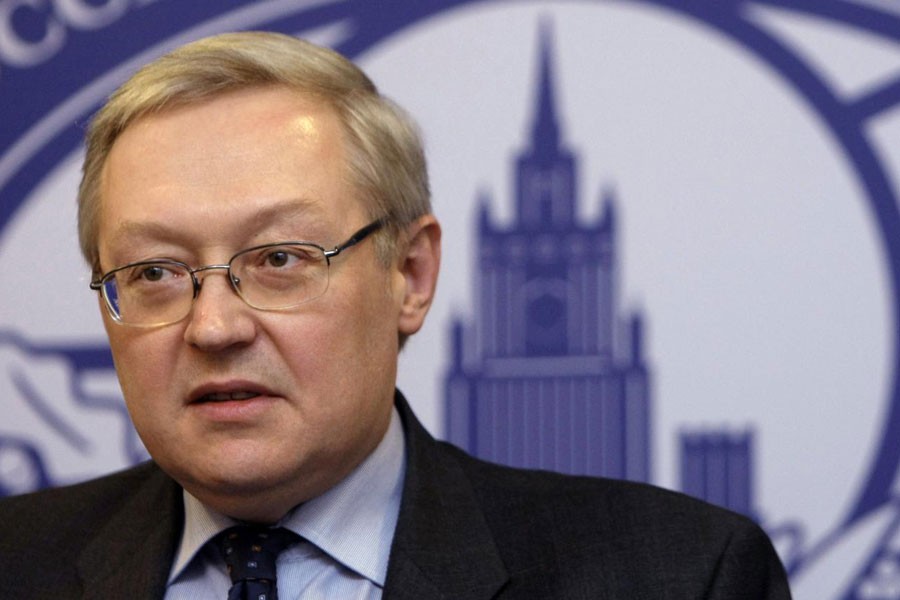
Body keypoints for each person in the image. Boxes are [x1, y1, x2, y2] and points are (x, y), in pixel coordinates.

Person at [0, 31, 791, 599]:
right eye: (154, 273)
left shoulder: (681, 574)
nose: (214, 327)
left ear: (410, 276)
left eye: (280, 259)